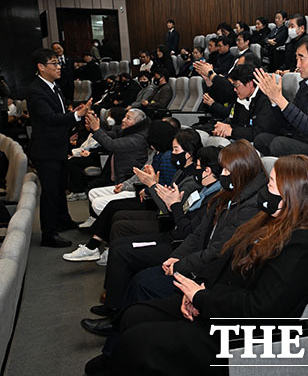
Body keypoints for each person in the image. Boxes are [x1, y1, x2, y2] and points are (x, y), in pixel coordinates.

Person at [85, 155, 308, 376]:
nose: (265, 190)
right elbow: (225, 258)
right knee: (134, 314)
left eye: (271, 184)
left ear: (291, 193)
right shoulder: (268, 219)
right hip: (216, 302)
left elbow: (260, 309)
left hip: (237, 332)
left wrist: (201, 298)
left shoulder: (302, 246)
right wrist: (198, 288)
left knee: (137, 341)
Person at [81, 146, 223, 328]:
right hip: (174, 236)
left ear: (207, 170)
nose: (196, 168)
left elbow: (187, 230)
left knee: (124, 254)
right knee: (118, 245)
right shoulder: (203, 189)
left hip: (178, 243)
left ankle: (116, 313)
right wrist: (169, 201)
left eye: (198, 165)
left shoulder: (213, 197)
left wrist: (170, 202)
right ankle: (113, 304)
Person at [66, 129, 201, 262]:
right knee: (116, 213)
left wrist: (151, 186)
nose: (173, 153)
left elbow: (169, 208)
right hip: (158, 207)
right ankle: (99, 247)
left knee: (118, 219)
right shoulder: (181, 170)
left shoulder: (189, 178)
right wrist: (150, 185)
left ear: (188, 154)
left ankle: (105, 250)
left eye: (176, 150)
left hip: (165, 219)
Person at [27, 48, 92, 247]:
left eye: (58, 63)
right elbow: (49, 118)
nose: (59, 67)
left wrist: (72, 119)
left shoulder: (54, 86)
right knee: (50, 191)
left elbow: (60, 114)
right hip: (46, 150)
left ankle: (63, 220)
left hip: (58, 146)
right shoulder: (36, 90)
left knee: (60, 188)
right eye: (54, 63)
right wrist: (76, 116)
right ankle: (49, 234)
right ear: (41, 67)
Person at [207, 64, 281, 147]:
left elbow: (259, 133)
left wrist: (232, 131)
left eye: (236, 86)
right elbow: (235, 122)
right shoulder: (242, 97)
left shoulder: (266, 100)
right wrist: (224, 128)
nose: (235, 89)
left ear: (250, 84)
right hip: (241, 142)